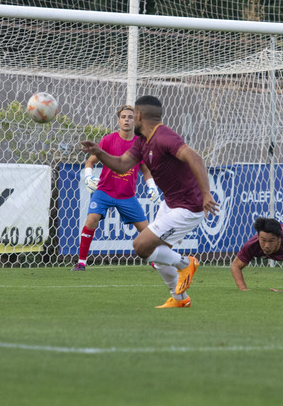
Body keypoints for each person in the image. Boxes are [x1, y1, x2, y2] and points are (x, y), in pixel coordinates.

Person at [80, 95, 219, 308]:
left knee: (141, 246)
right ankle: (180, 299)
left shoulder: (165, 137)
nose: (130, 119)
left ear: (139, 115)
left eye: (132, 115)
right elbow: (121, 164)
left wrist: (206, 193)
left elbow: (195, 158)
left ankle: (186, 263)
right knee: (159, 257)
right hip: (170, 203)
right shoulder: (142, 141)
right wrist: (99, 152)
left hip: (189, 207)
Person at [75, 105, 160, 271]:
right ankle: (81, 262)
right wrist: (88, 175)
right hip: (104, 191)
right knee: (91, 220)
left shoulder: (140, 144)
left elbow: (145, 170)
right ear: (118, 120)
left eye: (130, 117)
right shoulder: (107, 140)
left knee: (146, 231)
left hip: (127, 196)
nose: (127, 120)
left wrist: (152, 186)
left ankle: (155, 261)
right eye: (124, 117)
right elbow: (90, 161)